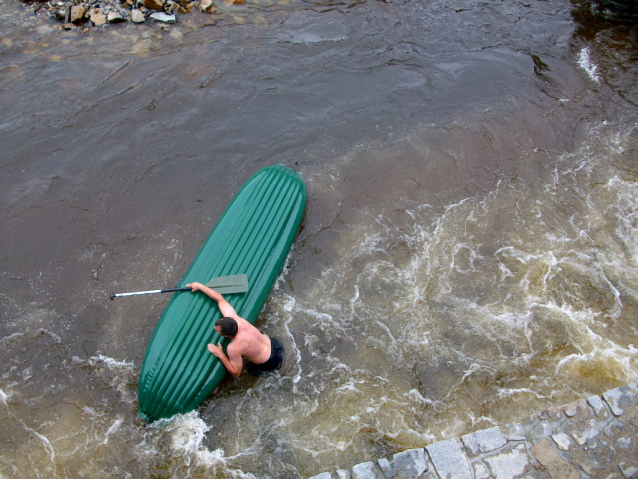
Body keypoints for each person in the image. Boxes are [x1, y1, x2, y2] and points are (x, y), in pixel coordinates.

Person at [186, 282, 285, 377]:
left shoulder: (233, 348)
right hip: (275, 344)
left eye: (217, 330)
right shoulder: (236, 319)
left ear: (226, 336)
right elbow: (220, 299)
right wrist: (199, 286)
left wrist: (220, 354)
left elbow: (236, 373)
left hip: (268, 362)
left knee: (249, 373)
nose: (214, 328)